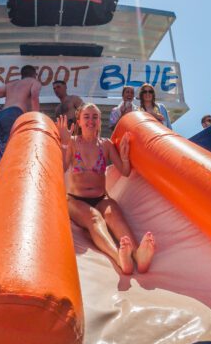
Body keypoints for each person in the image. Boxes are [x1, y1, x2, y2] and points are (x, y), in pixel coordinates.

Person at [56, 103, 155, 274]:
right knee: (94, 219)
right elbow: (60, 170)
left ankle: (138, 254)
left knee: (114, 214)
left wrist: (124, 157)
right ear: (79, 121)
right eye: (86, 117)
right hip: (75, 199)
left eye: (95, 117)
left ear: (100, 122)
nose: (91, 121)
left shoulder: (106, 145)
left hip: (101, 198)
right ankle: (119, 257)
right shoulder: (72, 143)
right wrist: (64, 145)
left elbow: (124, 172)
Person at [0, 65, 41, 148]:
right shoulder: (34, 82)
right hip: (14, 115)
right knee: (15, 149)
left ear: (22, 75)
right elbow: (34, 97)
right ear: (34, 75)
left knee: (7, 150)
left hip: (0, 117)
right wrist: (36, 118)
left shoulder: (11, 84)